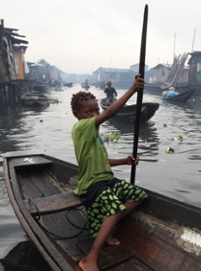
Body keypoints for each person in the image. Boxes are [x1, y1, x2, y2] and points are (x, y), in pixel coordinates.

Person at [70, 75, 147, 271]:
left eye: (96, 110)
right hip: (91, 184)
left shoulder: (95, 135)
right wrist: (132, 90)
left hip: (106, 179)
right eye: (88, 111)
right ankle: (90, 257)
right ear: (76, 114)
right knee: (116, 208)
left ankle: (104, 229)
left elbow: (102, 161)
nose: (94, 114)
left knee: (138, 195)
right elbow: (111, 112)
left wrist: (124, 161)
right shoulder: (81, 127)